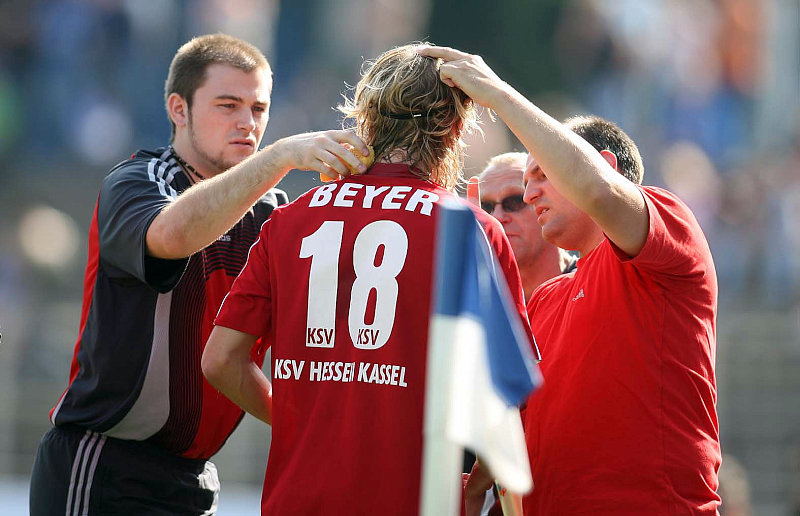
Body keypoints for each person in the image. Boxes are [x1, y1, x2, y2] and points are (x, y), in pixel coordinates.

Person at [29, 33, 371, 516]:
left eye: (258, 108)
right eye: (228, 105)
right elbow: (172, 237)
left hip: (195, 477)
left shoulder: (272, 214)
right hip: (103, 464)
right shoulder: (136, 181)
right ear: (179, 109)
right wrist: (278, 157)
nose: (247, 123)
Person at [201, 43, 533, 515]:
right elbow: (508, 396)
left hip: (297, 501)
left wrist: (304, 421)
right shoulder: (469, 228)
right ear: (454, 129)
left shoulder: (291, 220)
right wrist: (481, 478)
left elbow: (220, 360)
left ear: (366, 122)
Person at [421, 45, 721, 514]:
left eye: (541, 174)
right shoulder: (546, 300)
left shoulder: (669, 228)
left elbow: (597, 190)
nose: (530, 193)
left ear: (606, 165)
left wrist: (496, 94)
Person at [478, 152, 575, 298]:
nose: (496, 217)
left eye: (515, 201)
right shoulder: (474, 302)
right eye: (486, 207)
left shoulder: (593, 282)